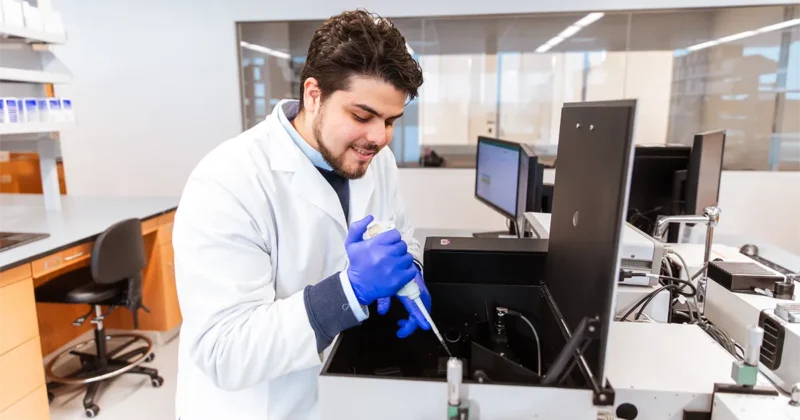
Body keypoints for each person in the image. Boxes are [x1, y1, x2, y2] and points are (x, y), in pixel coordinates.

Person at [171, 9, 429, 420]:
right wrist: (348, 293)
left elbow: (402, 234)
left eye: (391, 121)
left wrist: (409, 268)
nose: (379, 137)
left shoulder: (376, 159)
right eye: (362, 116)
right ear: (314, 94)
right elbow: (224, 350)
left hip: (338, 394)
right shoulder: (227, 181)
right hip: (256, 407)